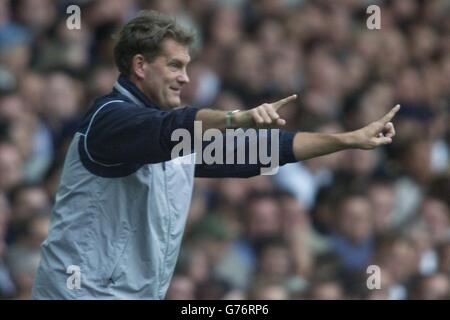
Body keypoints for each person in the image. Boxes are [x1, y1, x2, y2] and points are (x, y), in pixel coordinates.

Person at [32, 10, 400, 299]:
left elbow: (261, 151)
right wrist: (235, 117)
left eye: (188, 66)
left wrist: (347, 139)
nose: (186, 77)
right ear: (140, 66)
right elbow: (169, 129)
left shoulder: (175, 135)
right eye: (175, 65)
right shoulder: (110, 119)